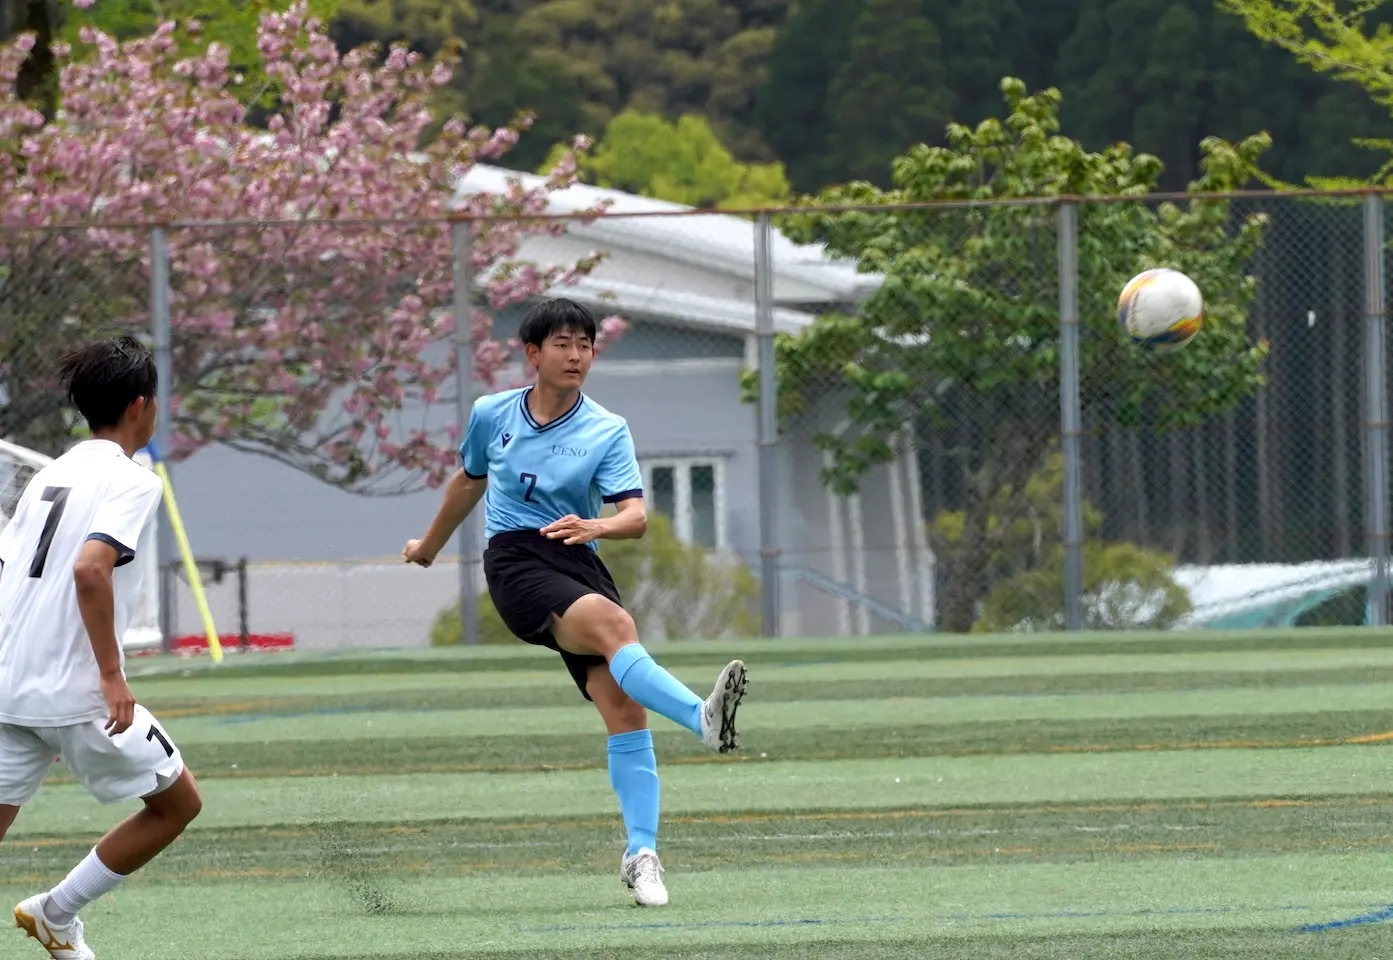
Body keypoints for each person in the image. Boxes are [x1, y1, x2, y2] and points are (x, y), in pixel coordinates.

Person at [403, 298, 748, 909]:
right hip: (515, 560)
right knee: (616, 625)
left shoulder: (607, 428)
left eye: (585, 345)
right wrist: (428, 547)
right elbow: (469, 480)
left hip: (578, 557)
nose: (576, 355)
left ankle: (641, 854)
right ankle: (701, 718)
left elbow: (635, 517)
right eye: (562, 343)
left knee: (624, 708)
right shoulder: (493, 414)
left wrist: (599, 528)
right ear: (532, 353)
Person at [0, 336, 202, 959]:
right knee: (176, 806)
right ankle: (57, 911)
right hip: (81, 696)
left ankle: (54, 918)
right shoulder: (132, 480)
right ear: (142, 405)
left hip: (9, 684)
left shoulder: (47, 476)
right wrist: (112, 676)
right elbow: (92, 571)